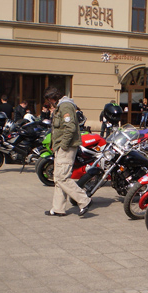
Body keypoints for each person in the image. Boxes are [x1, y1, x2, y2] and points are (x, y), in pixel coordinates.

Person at [43, 87, 91, 217]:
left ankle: (84, 200)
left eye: (49, 100)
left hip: (66, 147)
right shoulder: (62, 106)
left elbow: (70, 127)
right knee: (58, 178)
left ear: (53, 98)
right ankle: (58, 208)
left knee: (62, 177)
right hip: (61, 146)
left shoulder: (65, 106)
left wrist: (63, 145)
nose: (49, 104)